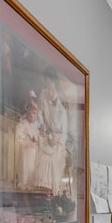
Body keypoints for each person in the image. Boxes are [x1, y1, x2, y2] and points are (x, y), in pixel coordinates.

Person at [38, 66, 69, 195]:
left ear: (56, 89)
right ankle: (43, 190)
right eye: (48, 87)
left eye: (52, 89)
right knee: (40, 152)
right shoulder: (43, 95)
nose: (49, 92)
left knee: (55, 160)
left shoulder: (62, 111)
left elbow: (65, 134)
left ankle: (53, 194)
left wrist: (57, 139)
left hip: (58, 143)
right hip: (46, 135)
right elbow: (40, 114)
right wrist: (42, 125)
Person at [15, 90, 42, 191]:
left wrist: (37, 139)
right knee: (25, 166)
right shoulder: (23, 124)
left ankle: (32, 184)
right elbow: (19, 139)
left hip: (35, 152)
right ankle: (24, 183)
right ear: (27, 110)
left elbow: (39, 137)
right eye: (33, 114)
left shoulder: (36, 125)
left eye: (36, 115)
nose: (34, 117)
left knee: (33, 167)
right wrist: (27, 142)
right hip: (26, 151)